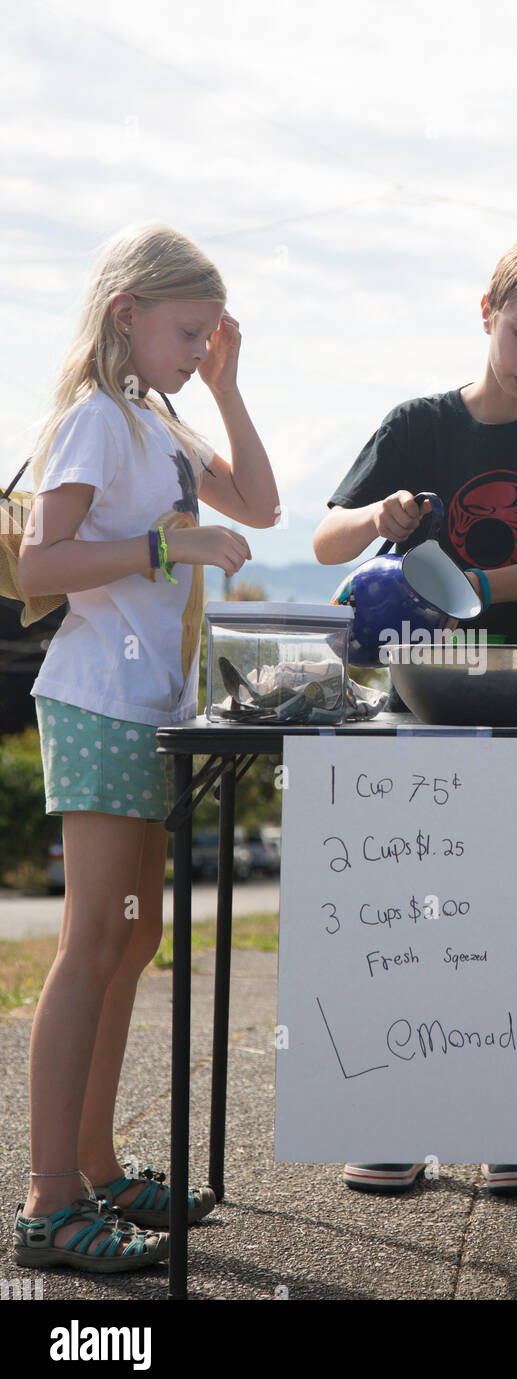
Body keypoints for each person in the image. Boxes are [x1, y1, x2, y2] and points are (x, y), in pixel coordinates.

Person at [313, 231, 517, 1197]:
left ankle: (514, 1121)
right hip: (420, 696)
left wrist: (467, 585)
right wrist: (383, 522)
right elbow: (329, 541)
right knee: (417, 912)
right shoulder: (418, 424)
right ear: (487, 310)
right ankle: (398, 1120)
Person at [13, 223, 279, 1272]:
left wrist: (225, 385)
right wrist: (170, 539)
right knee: (91, 945)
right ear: (128, 314)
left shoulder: (157, 420)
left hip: (149, 710)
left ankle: (93, 1165)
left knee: (131, 941)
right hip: (97, 702)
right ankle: (46, 1202)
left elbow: (259, 503)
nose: (196, 347)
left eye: (209, 334)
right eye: (186, 332)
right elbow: (44, 561)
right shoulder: (91, 421)